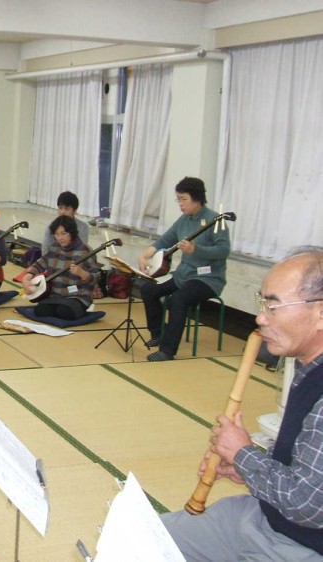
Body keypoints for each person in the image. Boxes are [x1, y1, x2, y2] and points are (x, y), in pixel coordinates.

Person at [162, 247, 323, 561]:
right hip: (264, 517)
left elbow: (307, 504)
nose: (260, 318)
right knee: (141, 539)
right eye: (262, 304)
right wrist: (248, 468)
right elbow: (305, 465)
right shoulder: (307, 365)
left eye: (273, 306)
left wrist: (242, 453)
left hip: (302, 546)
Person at [137, 177, 230, 361]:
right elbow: (166, 239)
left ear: (197, 198)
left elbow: (223, 250)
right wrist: (145, 255)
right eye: (178, 199)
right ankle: (158, 333)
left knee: (178, 299)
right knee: (148, 289)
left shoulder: (215, 221)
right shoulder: (184, 220)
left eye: (184, 199)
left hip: (207, 279)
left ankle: (167, 350)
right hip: (183, 275)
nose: (180, 203)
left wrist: (196, 249)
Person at [21, 215, 99, 320]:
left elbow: (97, 277)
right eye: (56, 234)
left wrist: (82, 273)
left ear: (72, 232)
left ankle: (79, 309)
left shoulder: (85, 251)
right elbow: (40, 263)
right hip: (55, 294)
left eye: (63, 233)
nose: (60, 238)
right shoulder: (54, 247)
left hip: (77, 295)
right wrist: (27, 277)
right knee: (41, 311)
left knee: (64, 312)